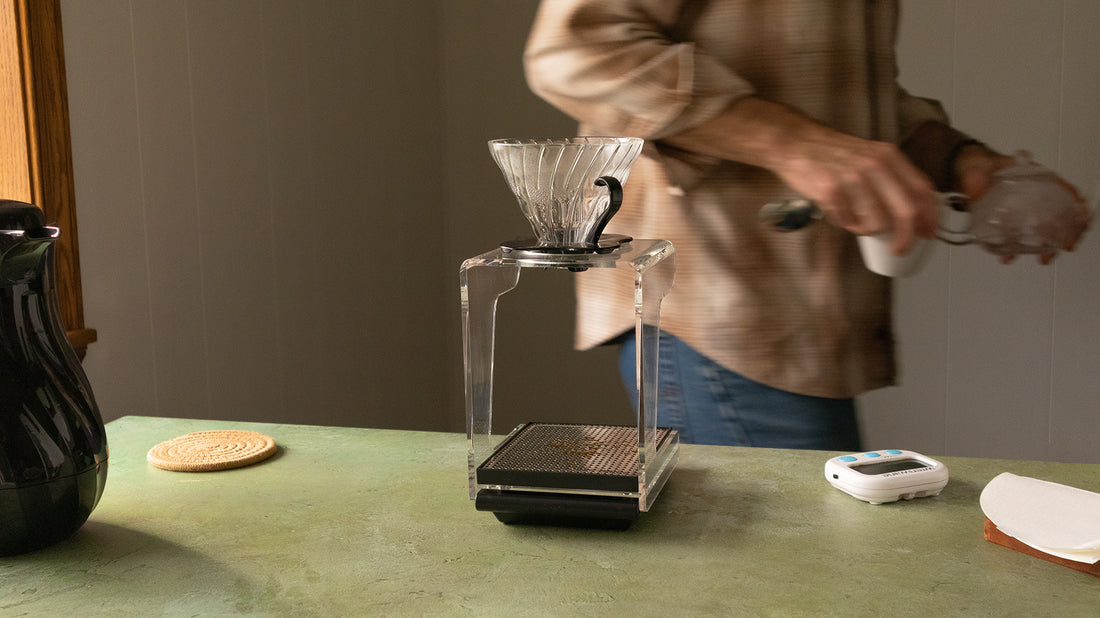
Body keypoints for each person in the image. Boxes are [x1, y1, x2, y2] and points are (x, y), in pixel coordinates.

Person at [522, 0, 1089, 449]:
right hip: (717, 311)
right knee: (793, 589)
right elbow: (576, 50)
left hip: (799, 325)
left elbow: (843, 100)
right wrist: (797, 146)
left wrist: (961, 159)